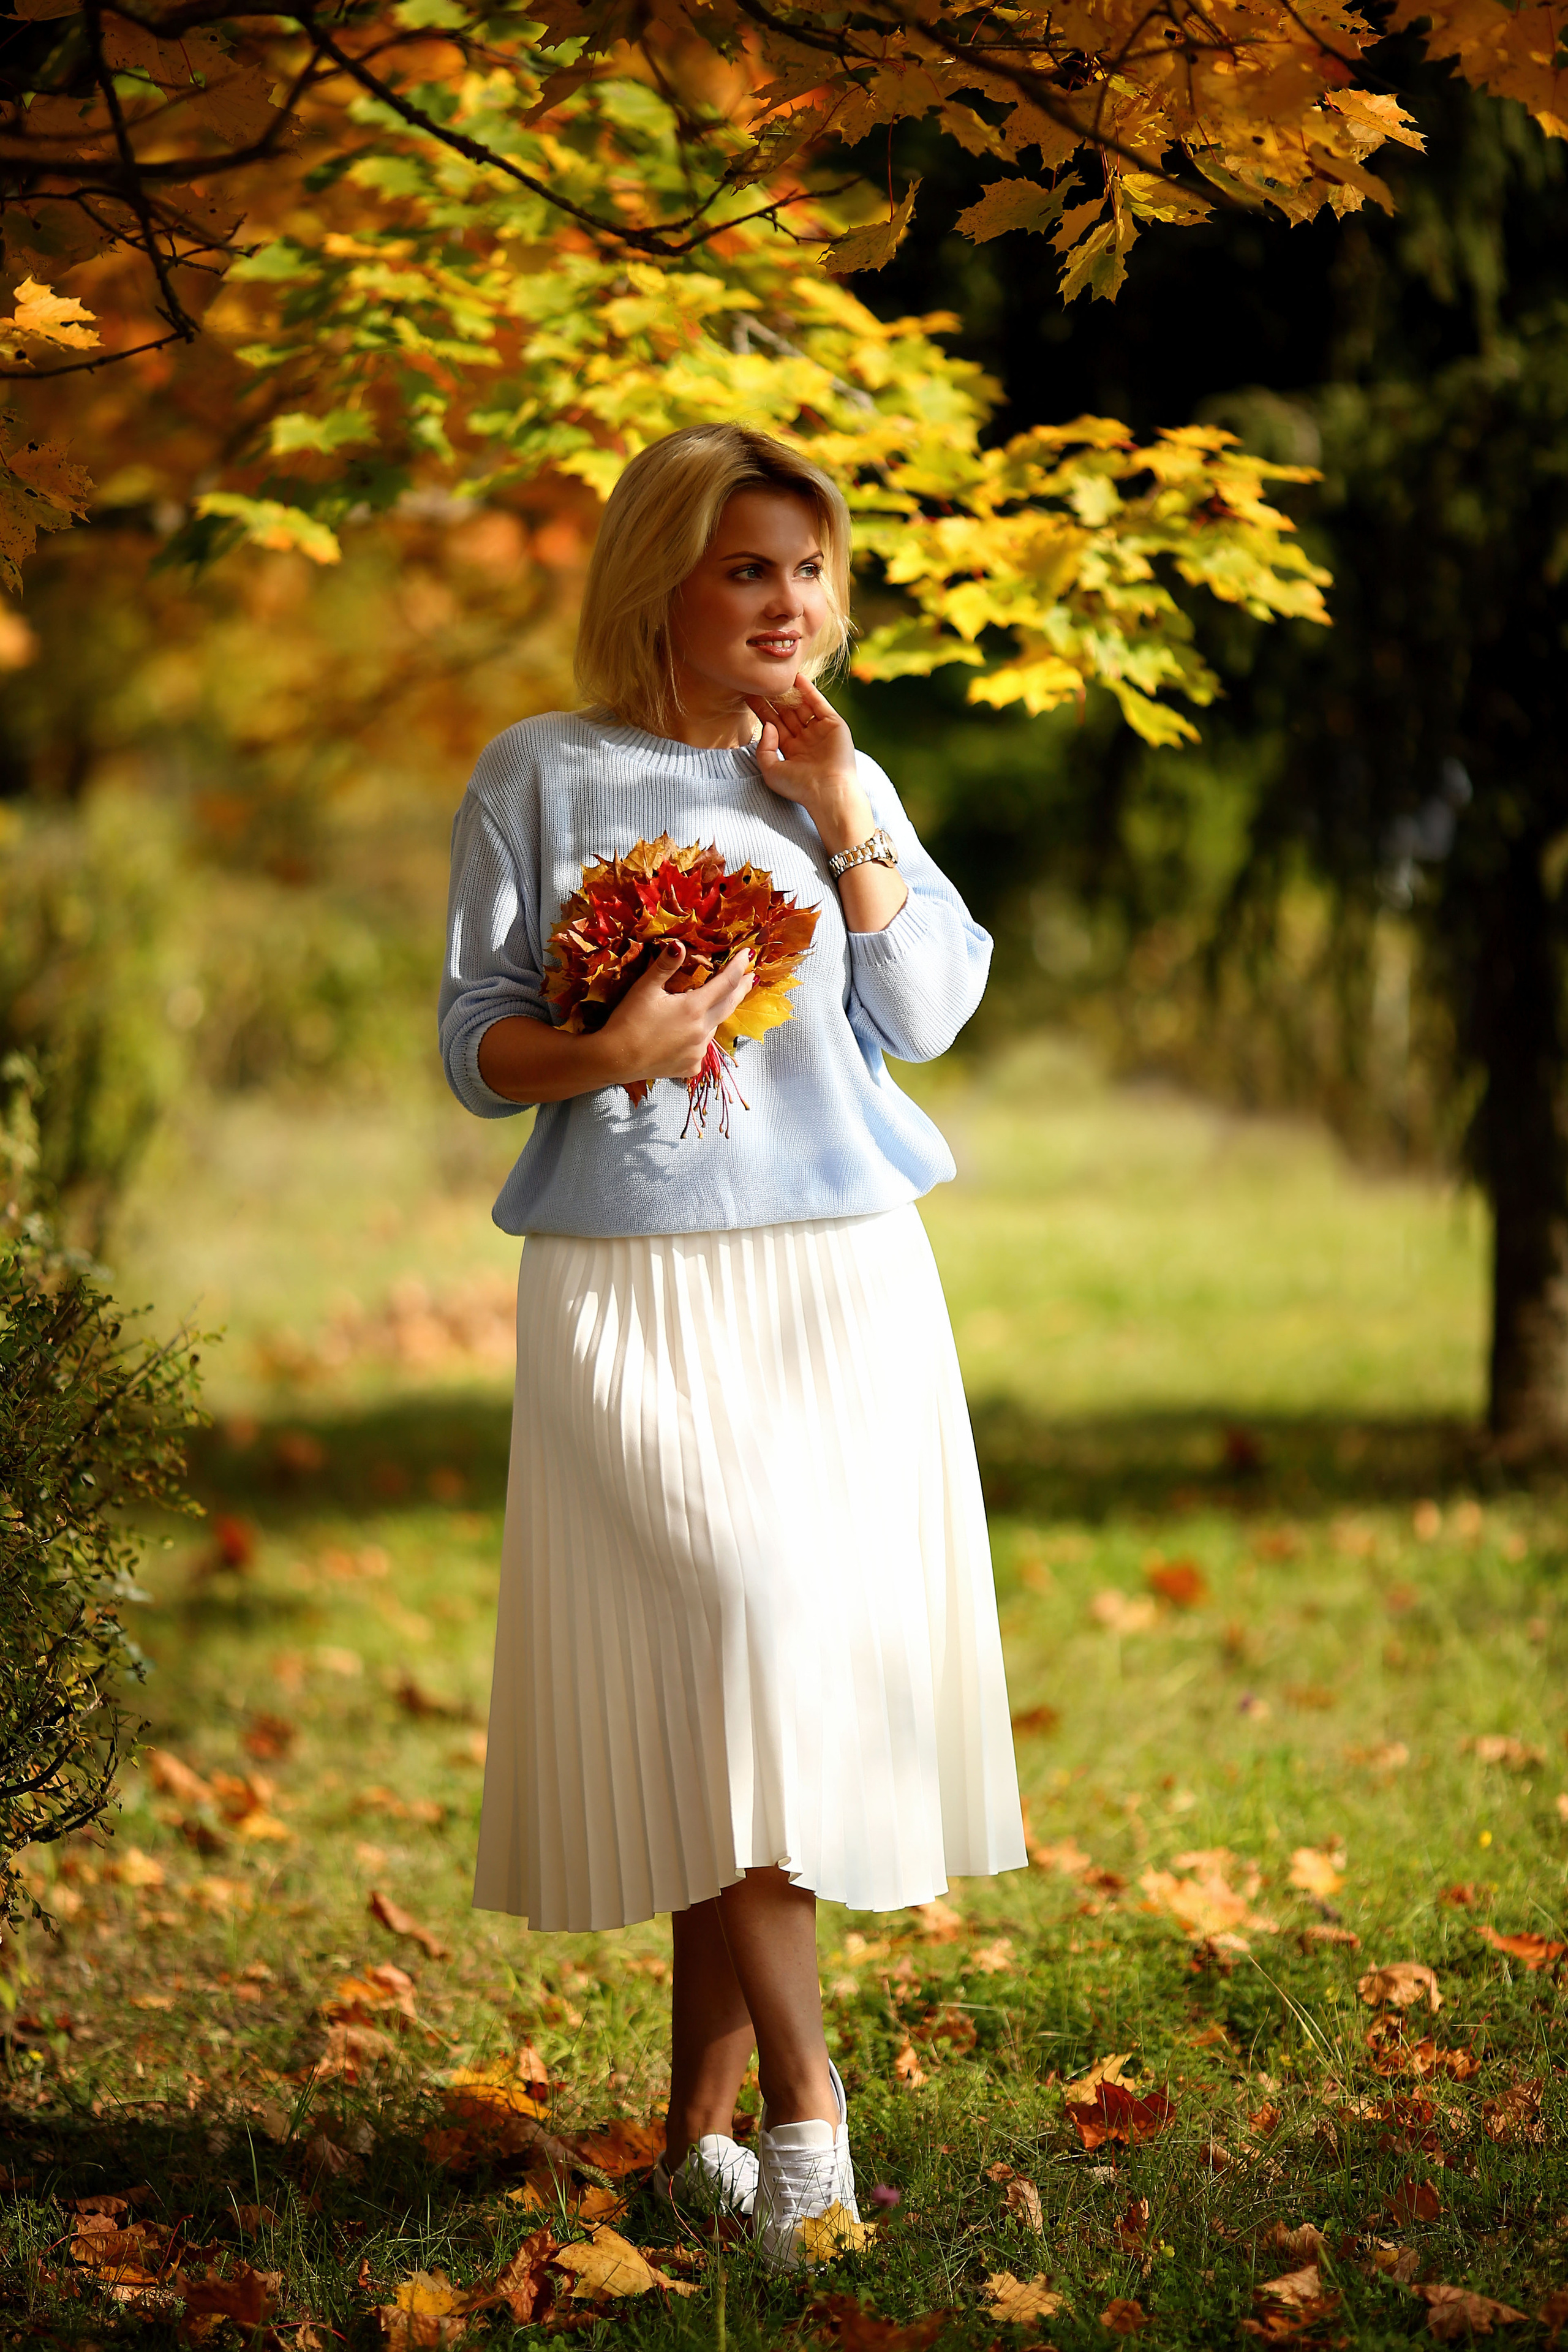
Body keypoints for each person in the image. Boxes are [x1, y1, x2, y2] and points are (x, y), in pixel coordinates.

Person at [439, 423, 1026, 2269]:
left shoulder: (839, 771)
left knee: (739, 1686)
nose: (790, 603)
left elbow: (928, 1012)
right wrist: (605, 1051)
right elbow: (474, 1040)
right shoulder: (541, 774)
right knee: (731, 1634)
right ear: (663, 583)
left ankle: (697, 2133)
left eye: (810, 569)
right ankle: (810, 2126)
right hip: (631, 1287)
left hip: (839, 1280)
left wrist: (846, 811)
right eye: (748, 568)